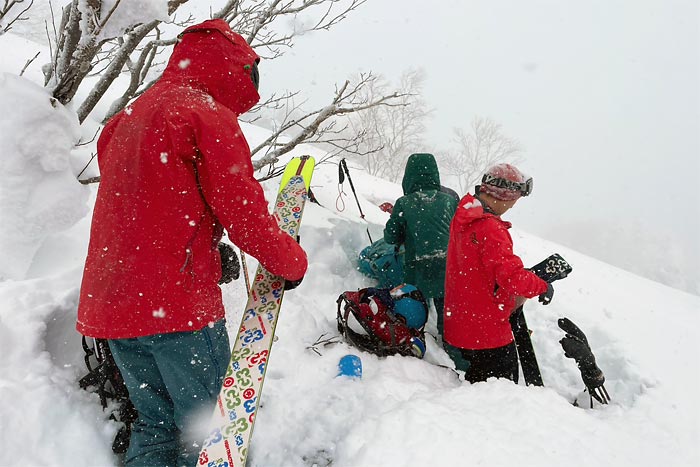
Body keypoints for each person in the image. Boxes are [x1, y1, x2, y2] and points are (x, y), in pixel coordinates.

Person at [76, 19, 307, 467]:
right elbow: (246, 217)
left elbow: (147, 204)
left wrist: (204, 246)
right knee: (209, 436)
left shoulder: (126, 118)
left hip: (114, 306)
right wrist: (291, 262)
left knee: (154, 423)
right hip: (177, 309)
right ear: (237, 70)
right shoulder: (204, 114)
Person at [443, 163, 553, 383]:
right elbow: (511, 277)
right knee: (499, 396)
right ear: (504, 196)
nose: (512, 206)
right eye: (514, 200)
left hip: (460, 322)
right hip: (487, 333)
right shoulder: (490, 229)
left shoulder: (464, 214)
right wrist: (542, 286)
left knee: (475, 386)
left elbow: (482, 267)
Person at [383, 153, 459, 339]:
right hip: (447, 266)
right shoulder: (450, 201)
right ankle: (453, 351)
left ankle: (415, 343)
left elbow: (390, 237)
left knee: (415, 310)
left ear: (408, 177)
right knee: (448, 318)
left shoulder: (404, 203)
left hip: (417, 268)